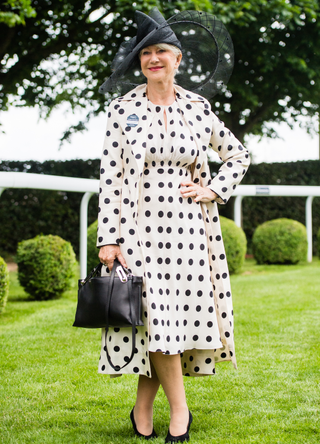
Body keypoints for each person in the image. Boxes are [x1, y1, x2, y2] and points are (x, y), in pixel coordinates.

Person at [97, 7, 250, 443]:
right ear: (140, 62)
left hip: (190, 233)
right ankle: (180, 413)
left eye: (162, 50)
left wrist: (214, 190)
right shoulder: (121, 110)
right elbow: (111, 176)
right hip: (139, 229)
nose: (153, 59)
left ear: (178, 58)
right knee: (157, 319)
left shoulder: (199, 108)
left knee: (173, 323)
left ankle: (142, 406)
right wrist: (109, 238)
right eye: (146, 53)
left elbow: (238, 155)